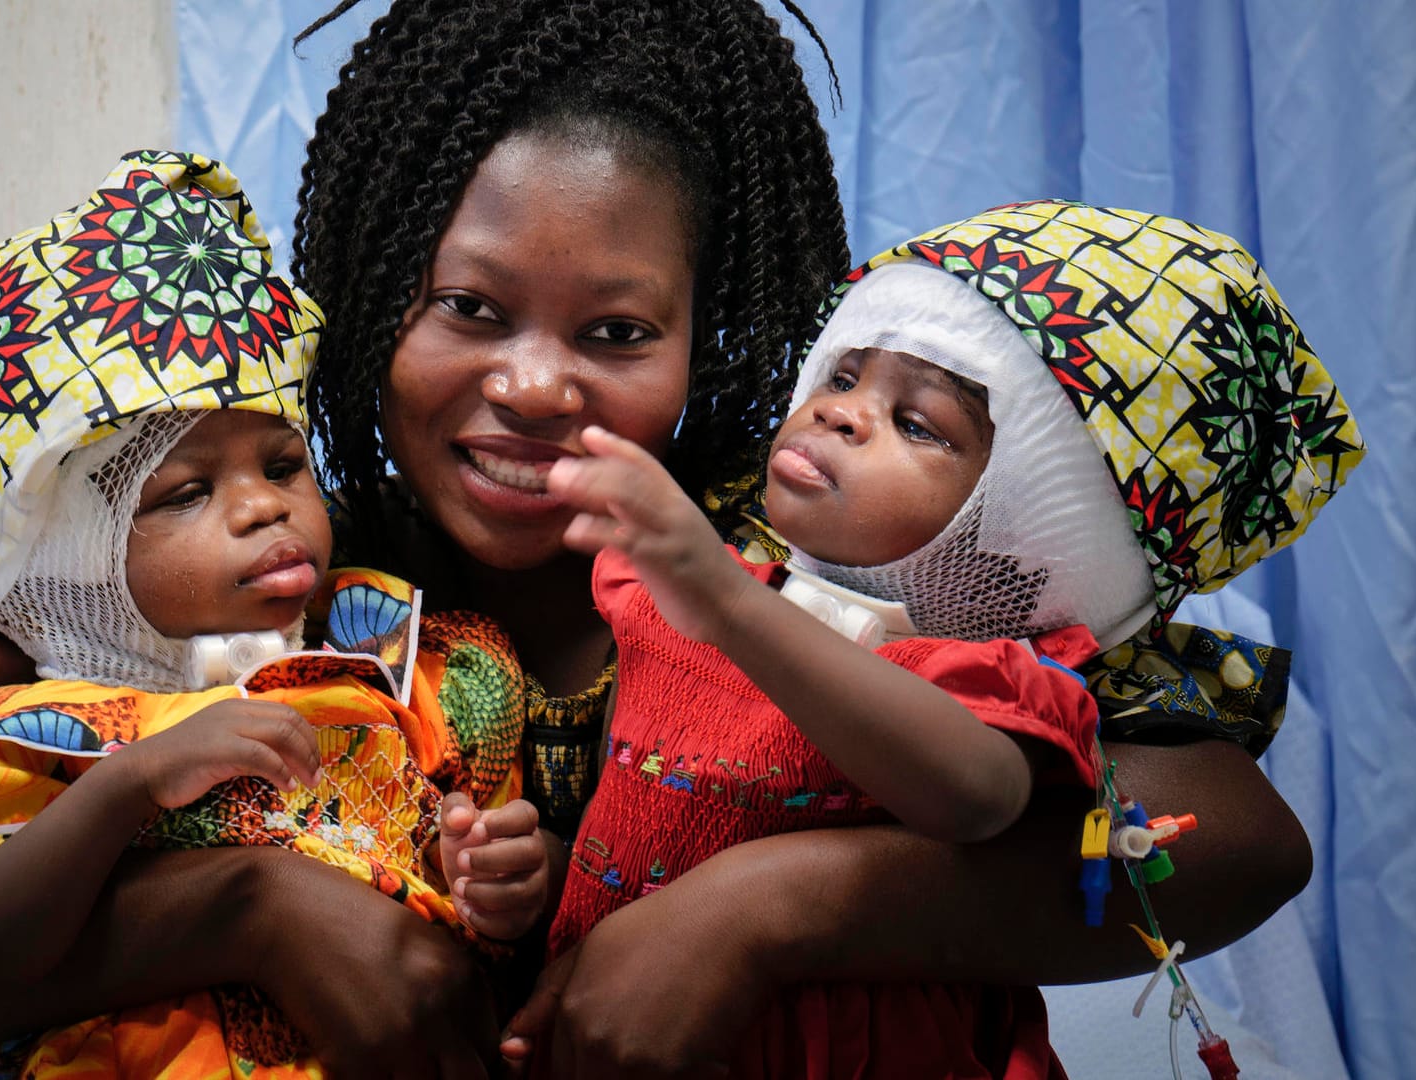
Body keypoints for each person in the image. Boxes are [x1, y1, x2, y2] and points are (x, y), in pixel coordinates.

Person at [0, 4, 1310, 1076]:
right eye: (469, 308)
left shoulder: (827, 581)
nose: (533, 387)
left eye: (619, 328)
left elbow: (1223, 848)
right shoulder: (244, 572)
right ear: (374, 296)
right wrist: (250, 909)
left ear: (716, 336)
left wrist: (774, 909)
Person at [512, 200, 1363, 1076]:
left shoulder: (978, 674)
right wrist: (545, 873)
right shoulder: (665, 588)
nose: (839, 414)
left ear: (1040, 522)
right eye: (841, 378)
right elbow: (668, 803)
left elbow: (977, 795)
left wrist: (729, 603)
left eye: (919, 423)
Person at [0, 149, 551, 1077]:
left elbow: (484, 915)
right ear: (76, 564)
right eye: (184, 494)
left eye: (283, 466)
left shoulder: (404, 666)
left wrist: (503, 879)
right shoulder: (34, 736)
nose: (263, 507)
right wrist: (126, 786)